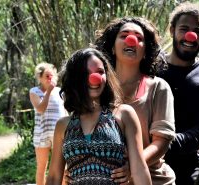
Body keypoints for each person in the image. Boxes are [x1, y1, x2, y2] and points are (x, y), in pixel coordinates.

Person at [46, 48, 152, 185]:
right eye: (86, 73)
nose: (95, 78)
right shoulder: (63, 125)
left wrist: (130, 169)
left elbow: (139, 169)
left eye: (100, 72)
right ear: (76, 78)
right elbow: (54, 176)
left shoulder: (124, 114)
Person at [94, 17, 176, 185]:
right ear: (112, 47)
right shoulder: (95, 88)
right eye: (124, 36)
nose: (131, 40)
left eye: (139, 39)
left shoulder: (158, 88)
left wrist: (132, 166)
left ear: (145, 51)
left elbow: (161, 142)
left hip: (154, 179)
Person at [156, 2, 199, 185]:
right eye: (184, 28)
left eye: (198, 31)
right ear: (172, 30)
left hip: (188, 161)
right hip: (146, 158)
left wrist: (164, 143)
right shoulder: (151, 69)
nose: (190, 36)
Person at [29, 62, 67, 185]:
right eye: (47, 76)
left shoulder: (60, 91)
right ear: (40, 78)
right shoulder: (34, 91)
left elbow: (66, 111)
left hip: (59, 135)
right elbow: (40, 109)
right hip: (42, 133)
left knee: (63, 168)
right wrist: (49, 91)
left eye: (52, 75)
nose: (50, 78)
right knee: (42, 167)